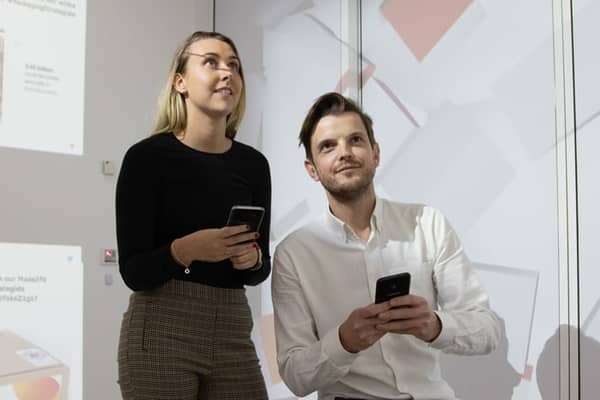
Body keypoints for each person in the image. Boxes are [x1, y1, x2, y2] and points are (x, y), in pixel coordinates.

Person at [271, 92, 501, 400]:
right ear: (311, 169)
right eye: (328, 146)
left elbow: (487, 330)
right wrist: (344, 342)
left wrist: (434, 325)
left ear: (375, 154)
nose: (344, 152)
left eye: (355, 140)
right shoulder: (293, 254)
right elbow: (295, 375)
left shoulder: (427, 224)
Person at [116, 31, 270, 400]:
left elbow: (260, 268)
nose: (227, 72)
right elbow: (133, 272)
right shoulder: (145, 158)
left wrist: (252, 259)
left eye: (234, 65)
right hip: (162, 327)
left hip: (233, 325)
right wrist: (187, 249)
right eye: (211, 62)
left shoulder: (253, 164)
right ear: (180, 82)